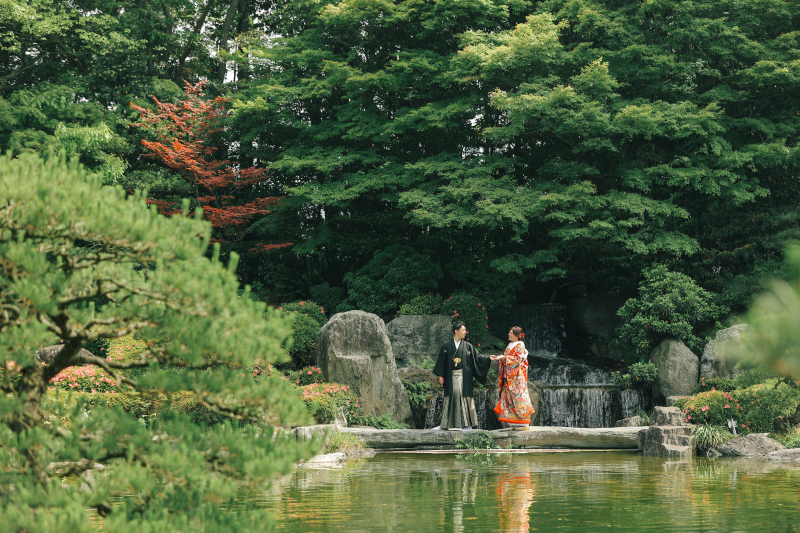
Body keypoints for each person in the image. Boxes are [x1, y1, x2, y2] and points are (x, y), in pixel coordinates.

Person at [432, 321, 492, 430]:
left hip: (465, 377)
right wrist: (441, 375)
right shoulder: (446, 345)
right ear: (456, 331)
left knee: (465, 397)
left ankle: (466, 424)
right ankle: (448, 424)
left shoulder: (468, 346)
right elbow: (442, 360)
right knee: (453, 396)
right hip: (451, 376)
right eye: (463, 330)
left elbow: (478, 358)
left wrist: (489, 358)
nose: (465, 332)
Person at [491, 326, 535, 430]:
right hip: (508, 376)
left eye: (511, 333)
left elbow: (518, 359)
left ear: (517, 335)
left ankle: (523, 422)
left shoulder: (520, 345)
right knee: (509, 398)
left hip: (517, 377)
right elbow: (508, 358)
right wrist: (501, 358)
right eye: (509, 332)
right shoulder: (509, 345)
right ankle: (513, 423)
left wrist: (504, 357)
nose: (509, 334)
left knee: (519, 398)